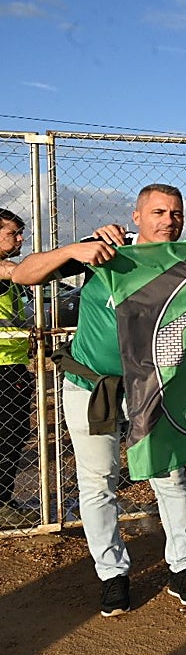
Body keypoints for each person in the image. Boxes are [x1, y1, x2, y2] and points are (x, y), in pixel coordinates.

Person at [12, 184, 186, 616]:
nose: (168, 220)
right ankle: (112, 574)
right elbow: (25, 274)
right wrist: (73, 251)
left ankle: (183, 565)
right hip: (92, 386)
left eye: (175, 213)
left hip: (154, 389)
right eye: (158, 212)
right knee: (98, 482)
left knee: (168, 475)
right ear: (136, 216)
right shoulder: (104, 253)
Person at [0, 209, 35, 525]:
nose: (20, 238)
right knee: (7, 435)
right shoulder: (5, 270)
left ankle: (4, 497)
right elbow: (13, 271)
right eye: (13, 232)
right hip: (3, 368)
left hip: (14, 365)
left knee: (16, 433)